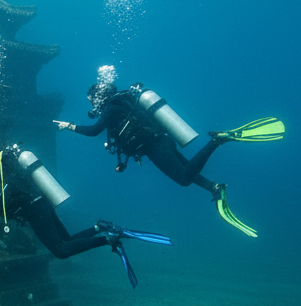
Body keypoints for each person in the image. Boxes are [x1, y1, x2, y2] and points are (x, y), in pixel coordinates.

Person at [55, 80, 284, 238]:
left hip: (154, 146)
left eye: (91, 99)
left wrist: (69, 126)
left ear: (99, 96)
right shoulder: (121, 103)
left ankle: (218, 140)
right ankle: (214, 188)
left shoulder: (112, 107)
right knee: (186, 170)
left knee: (183, 178)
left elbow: (94, 131)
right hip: (160, 141)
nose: (92, 104)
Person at [0, 142, 169, 286]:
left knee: (60, 250)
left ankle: (107, 238)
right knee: (66, 240)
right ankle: (100, 227)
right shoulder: (9, 161)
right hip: (43, 202)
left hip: (32, 209)